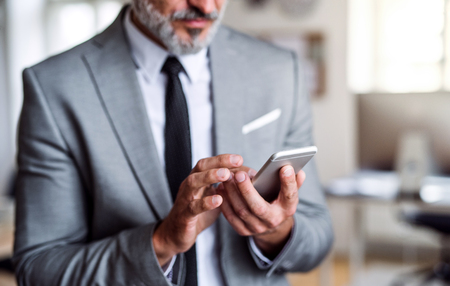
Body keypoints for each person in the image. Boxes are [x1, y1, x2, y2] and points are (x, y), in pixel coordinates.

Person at [13, 0, 333, 285]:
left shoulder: (279, 70)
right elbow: (38, 268)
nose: (206, 7)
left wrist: (274, 231)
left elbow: (319, 236)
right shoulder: (55, 87)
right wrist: (160, 243)